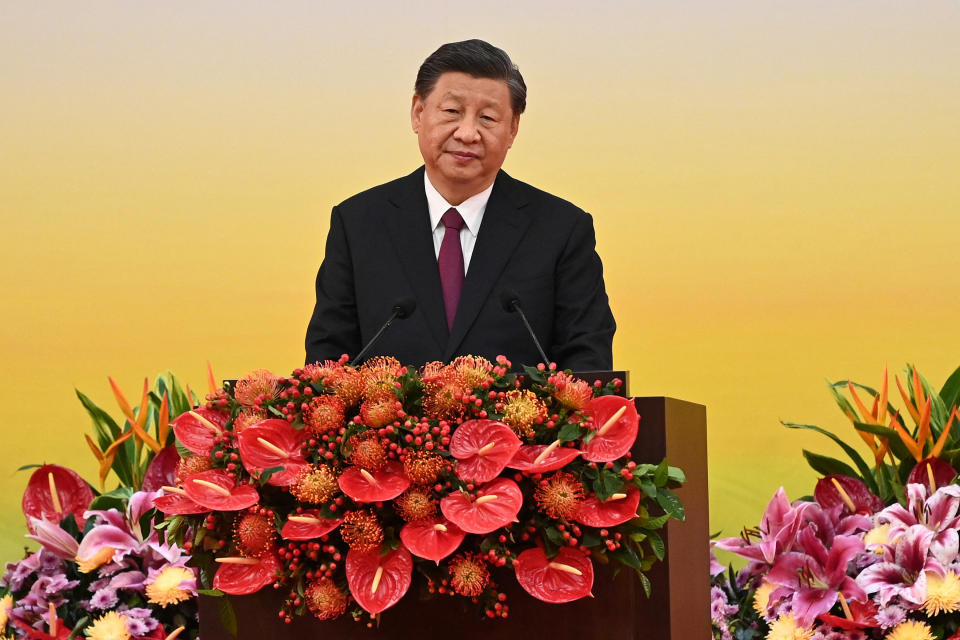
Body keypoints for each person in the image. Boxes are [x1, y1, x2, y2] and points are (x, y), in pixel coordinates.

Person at [305, 39, 615, 370]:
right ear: (418, 113)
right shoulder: (358, 223)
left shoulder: (561, 229)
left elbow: (588, 366)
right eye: (452, 112)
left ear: (513, 129)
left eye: (487, 118)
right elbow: (327, 362)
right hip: (385, 422)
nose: (467, 133)